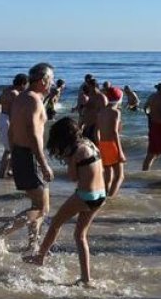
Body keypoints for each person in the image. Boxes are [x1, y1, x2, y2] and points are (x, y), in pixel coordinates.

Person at [25, 117, 107, 286]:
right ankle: (86, 278)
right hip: (101, 195)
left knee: (55, 223)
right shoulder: (90, 144)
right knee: (80, 235)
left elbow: (72, 177)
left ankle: (40, 257)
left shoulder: (76, 151)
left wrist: (69, 161)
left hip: (85, 195)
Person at [0, 63, 55, 250]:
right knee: (42, 208)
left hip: (20, 152)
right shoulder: (34, 101)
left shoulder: (22, 97)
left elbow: (13, 129)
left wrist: (13, 153)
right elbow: (33, 133)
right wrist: (44, 163)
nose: (51, 83)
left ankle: (33, 244)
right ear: (44, 80)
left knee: (36, 203)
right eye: (50, 79)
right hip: (30, 155)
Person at [0, 74, 27, 179]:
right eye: (26, 84)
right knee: (12, 149)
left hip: (2, 118)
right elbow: (14, 112)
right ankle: (6, 173)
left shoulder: (6, 90)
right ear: (23, 84)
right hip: (9, 120)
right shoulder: (15, 94)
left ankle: (5, 173)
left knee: (9, 149)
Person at [96, 86, 126, 196]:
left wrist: (98, 145)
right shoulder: (116, 112)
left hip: (102, 144)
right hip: (112, 145)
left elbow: (97, 131)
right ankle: (110, 198)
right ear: (119, 99)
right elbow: (114, 132)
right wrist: (120, 151)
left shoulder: (101, 112)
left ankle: (103, 196)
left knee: (108, 175)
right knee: (119, 176)